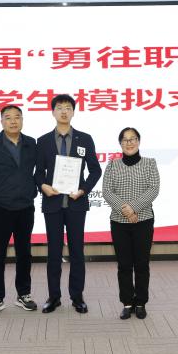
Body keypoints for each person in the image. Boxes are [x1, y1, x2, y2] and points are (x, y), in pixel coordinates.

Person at [35, 94, 102, 314]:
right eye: (59, 108)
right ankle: (54, 297)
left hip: (76, 204)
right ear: (53, 112)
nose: (64, 111)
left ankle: (77, 296)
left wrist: (83, 190)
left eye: (68, 108)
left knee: (77, 252)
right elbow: (38, 173)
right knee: (54, 252)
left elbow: (95, 170)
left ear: (73, 112)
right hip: (53, 204)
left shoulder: (85, 139)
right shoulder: (43, 141)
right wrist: (43, 186)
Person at [0, 105, 38, 316]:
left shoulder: (31, 143)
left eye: (17, 117)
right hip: (1, 208)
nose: (13, 121)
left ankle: (24, 294)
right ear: (1, 121)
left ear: (22, 120)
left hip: (25, 207)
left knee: (24, 253)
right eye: (8, 118)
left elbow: (41, 171)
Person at [101, 127, 160, 320]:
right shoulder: (112, 165)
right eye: (125, 140)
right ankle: (127, 303)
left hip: (144, 220)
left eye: (133, 139)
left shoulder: (150, 163)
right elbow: (107, 191)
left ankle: (141, 303)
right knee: (124, 265)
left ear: (139, 141)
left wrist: (133, 208)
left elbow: (153, 189)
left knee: (142, 264)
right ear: (120, 143)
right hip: (119, 222)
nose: (129, 143)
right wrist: (125, 211)